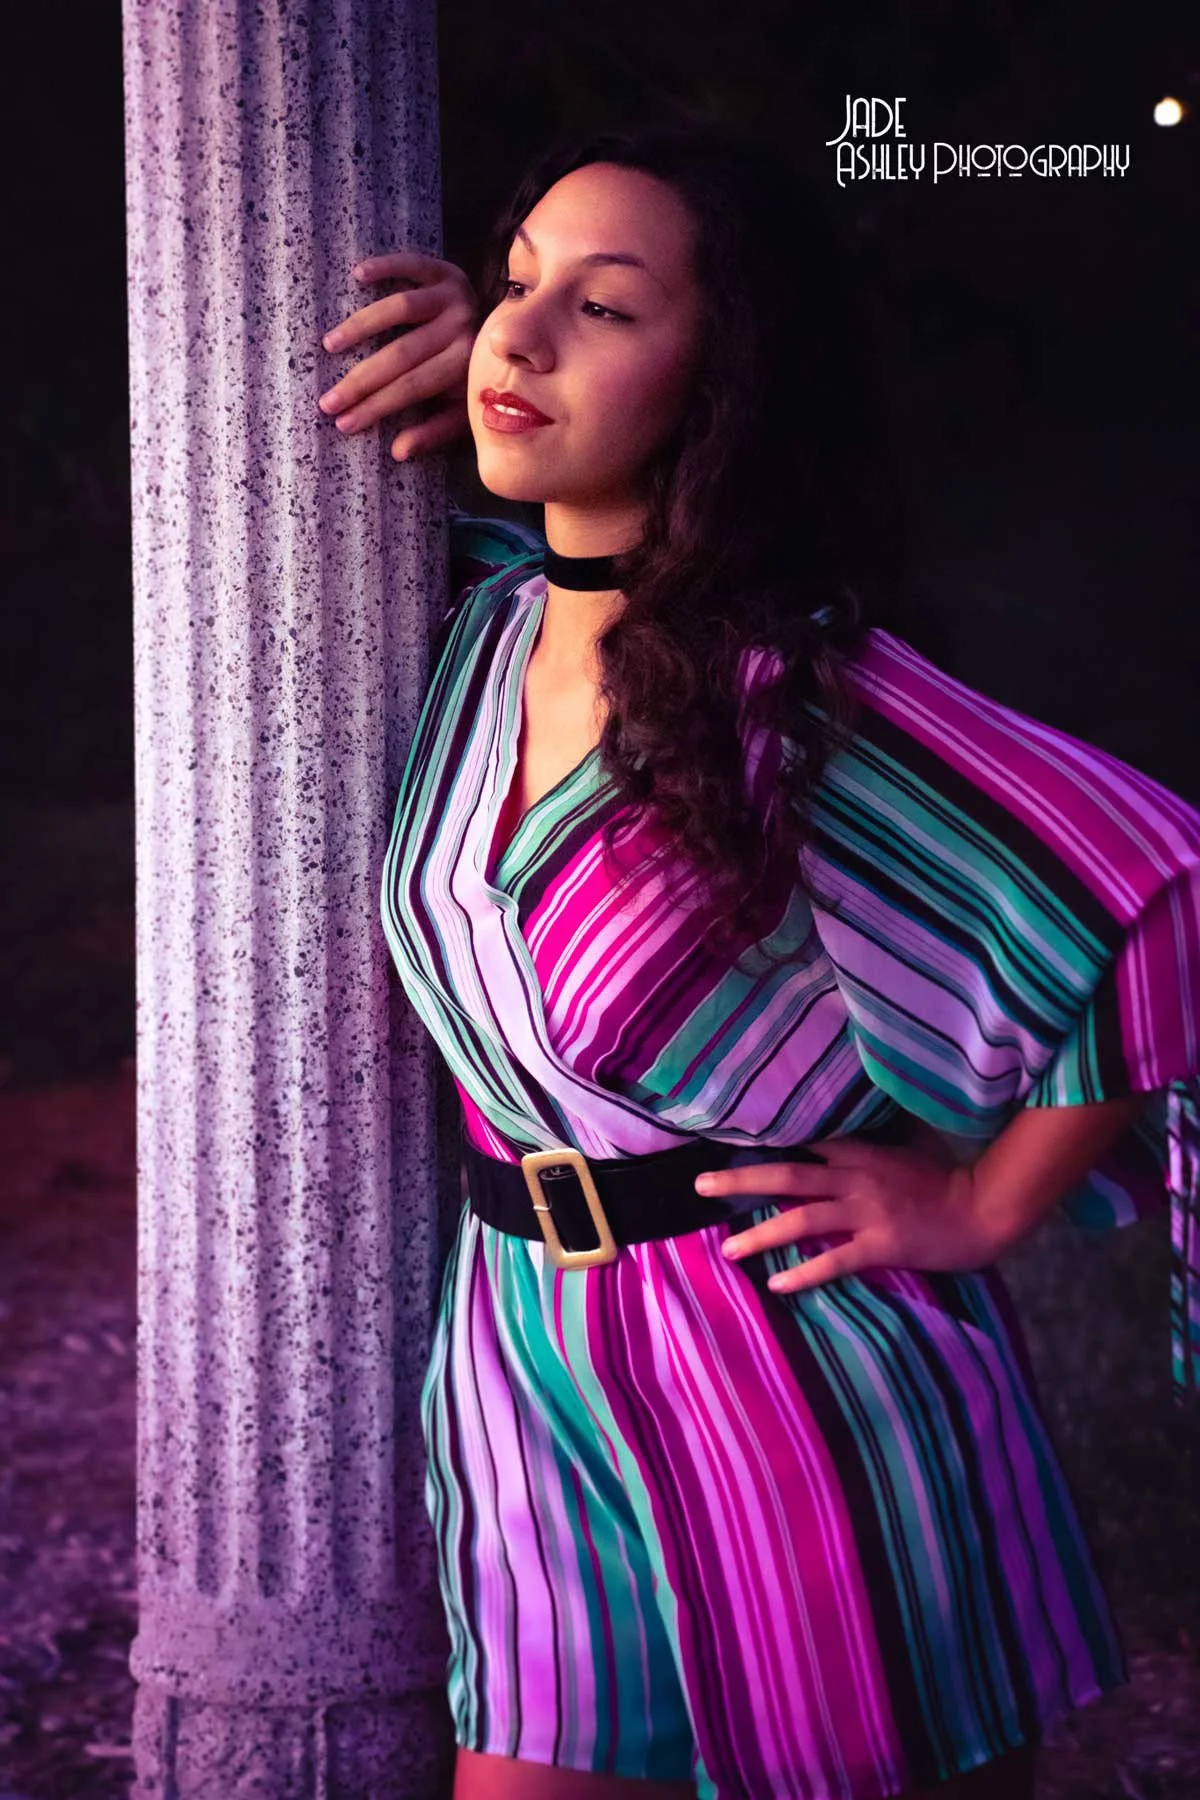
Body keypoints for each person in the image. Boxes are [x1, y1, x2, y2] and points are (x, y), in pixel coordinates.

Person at [317, 124, 1200, 1800]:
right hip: (523, 1366)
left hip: (803, 1391)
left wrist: (979, 1204)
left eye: (605, 307)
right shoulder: (469, 630)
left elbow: (1157, 891)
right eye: (516, 282)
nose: (523, 334)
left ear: (720, 384)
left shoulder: (792, 696)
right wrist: (468, 363)